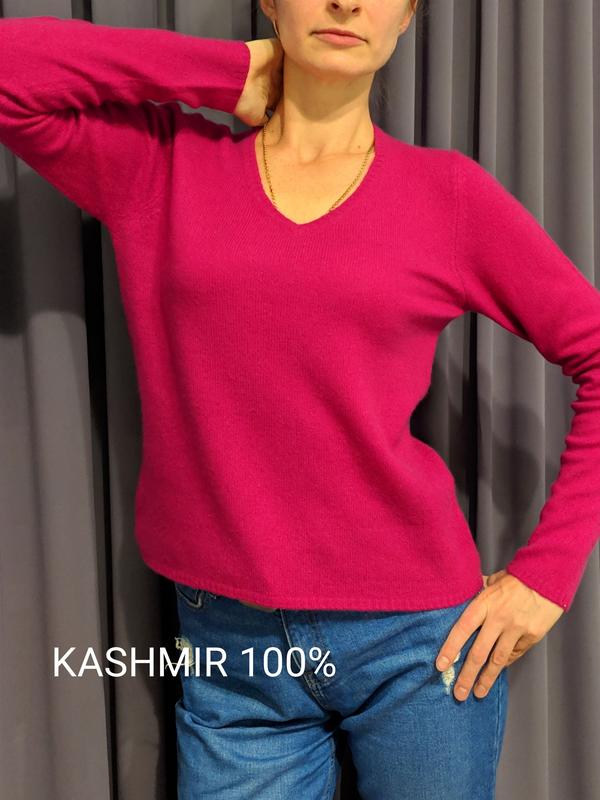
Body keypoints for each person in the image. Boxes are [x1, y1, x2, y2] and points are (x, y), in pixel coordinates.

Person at [2, 2, 600, 797]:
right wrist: (225, 71)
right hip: (232, 646)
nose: (346, 1)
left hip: (419, 644)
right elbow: (12, 71)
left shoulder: (447, 195)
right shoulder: (164, 165)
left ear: (408, 16)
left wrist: (548, 576)